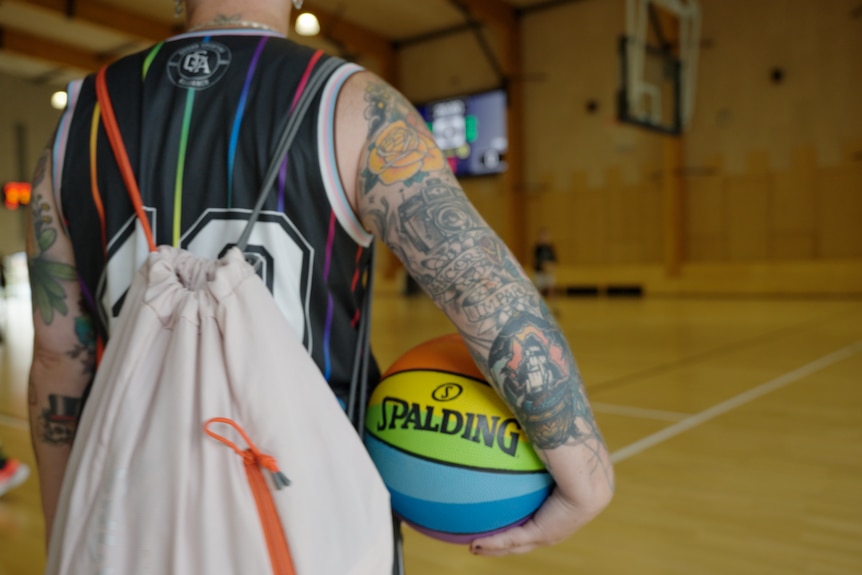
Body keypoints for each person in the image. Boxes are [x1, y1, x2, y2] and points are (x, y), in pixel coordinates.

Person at [26, 0, 613, 560]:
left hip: (127, 501)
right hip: (312, 497)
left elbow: (59, 361)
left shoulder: (79, 119)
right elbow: (483, 288)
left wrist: (66, 524)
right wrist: (586, 477)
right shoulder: (352, 103)